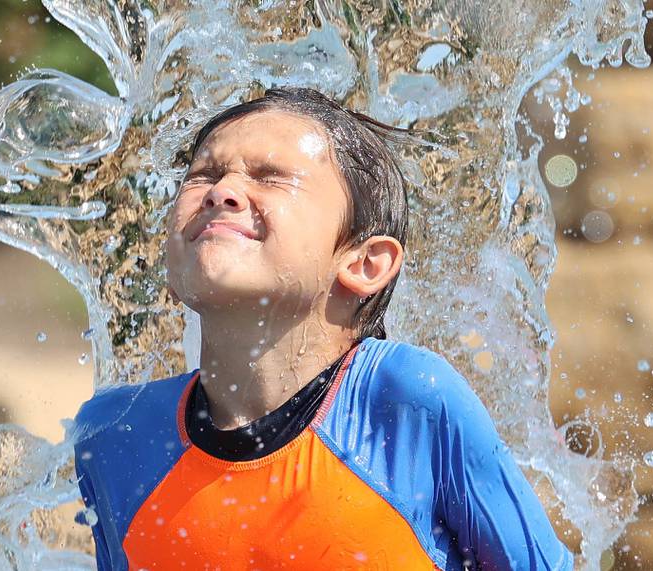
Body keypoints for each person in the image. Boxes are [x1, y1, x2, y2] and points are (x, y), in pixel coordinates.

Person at [72, 87, 574, 570]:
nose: (221, 192)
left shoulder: (407, 406)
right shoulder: (116, 433)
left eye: (270, 177)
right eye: (202, 175)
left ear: (365, 263)